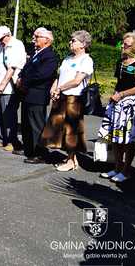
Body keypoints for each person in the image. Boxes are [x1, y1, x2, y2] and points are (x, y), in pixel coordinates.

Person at [41, 30, 93, 171]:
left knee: (71, 130)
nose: (70, 42)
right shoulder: (67, 58)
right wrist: (54, 88)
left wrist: (60, 89)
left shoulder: (86, 60)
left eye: (73, 40)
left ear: (83, 44)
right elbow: (59, 76)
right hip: (62, 96)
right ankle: (71, 158)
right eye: (71, 40)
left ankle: (71, 161)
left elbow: (76, 81)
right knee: (59, 129)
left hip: (73, 98)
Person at [97, 32, 135, 183]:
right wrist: (114, 97)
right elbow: (118, 82)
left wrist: (121, 94)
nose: (123, 46)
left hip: (131, 105)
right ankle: (117, 167)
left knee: (128, 140)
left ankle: (126, 170)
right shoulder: (120, 61)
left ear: (134, 46)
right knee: (115, 136)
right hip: (117, 103)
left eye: (126, 44)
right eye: (123, 43)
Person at [15, 28, 58, 162]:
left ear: (47, 40)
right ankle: (28, 148)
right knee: (26, 124)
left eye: (38, 37)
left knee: (36, 125)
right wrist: (20, 77)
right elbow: (26, 68)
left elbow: (42, 74)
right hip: (28, 93)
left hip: (38, 94)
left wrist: (24, 81)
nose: (35, 39)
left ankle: (40, 153)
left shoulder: (50, 56)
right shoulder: (36, 53)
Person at [0, 26, 26, 152]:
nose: (0, 41)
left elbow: (12, 68)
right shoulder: (2, 46)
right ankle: (1, 138)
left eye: (2, 38)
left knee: (8, 114)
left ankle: (11, 140)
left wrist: (3, 84)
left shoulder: (16, 45)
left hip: (9, 86)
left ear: (8, 35)